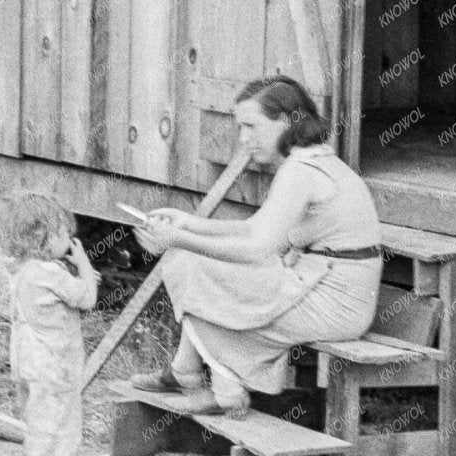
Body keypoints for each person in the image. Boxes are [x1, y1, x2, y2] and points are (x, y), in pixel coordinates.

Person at [132, 76, 382, 417]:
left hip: (336, 302)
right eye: (240, 127)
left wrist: (176, 239)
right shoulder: (309, 161)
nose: (243, 138)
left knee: (191, 266)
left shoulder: (301, 171)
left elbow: (258, 250)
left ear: (285, 122)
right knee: (193, 263)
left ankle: (224, 391)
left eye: (251, 126)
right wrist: (188, 223)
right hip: (321, 284)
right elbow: (254, 230)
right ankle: (187, 372)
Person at [3, 192, 100, 456]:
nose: (70, 240)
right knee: (56, 428)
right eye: (63, 234)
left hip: (32, 364)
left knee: (51, 426)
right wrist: (85, 264)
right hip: (53, 366)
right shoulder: (51, 274)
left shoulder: (24, 272)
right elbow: (86, 297)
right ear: (42, 238)